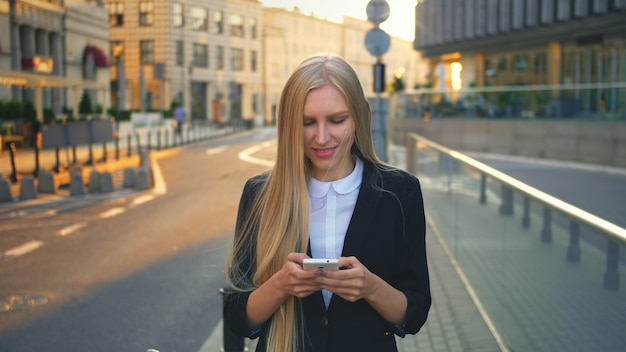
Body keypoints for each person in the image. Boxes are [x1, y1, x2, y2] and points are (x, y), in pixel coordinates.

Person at [224, 54, 430, 352]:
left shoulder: (401, 192)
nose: (321, 138)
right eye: (307, 122)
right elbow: (236, 317)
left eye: (337, 120)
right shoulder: (261, 194)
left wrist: (371, 288)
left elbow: (414, 314)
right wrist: (281, 285)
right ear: (289, 124)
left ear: (360, 117)